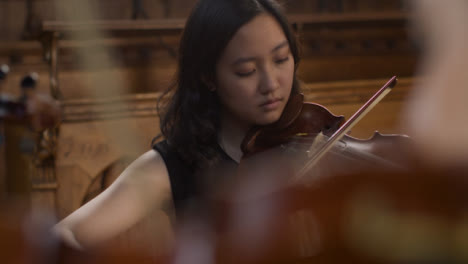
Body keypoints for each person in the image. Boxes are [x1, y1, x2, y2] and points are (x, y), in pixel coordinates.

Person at [53, 0, 301, 250]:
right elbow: (60, 238)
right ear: (208, 77)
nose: (271, 84)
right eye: (246, 70)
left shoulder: (312, 142)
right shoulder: (174, 166)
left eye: (281, 59)